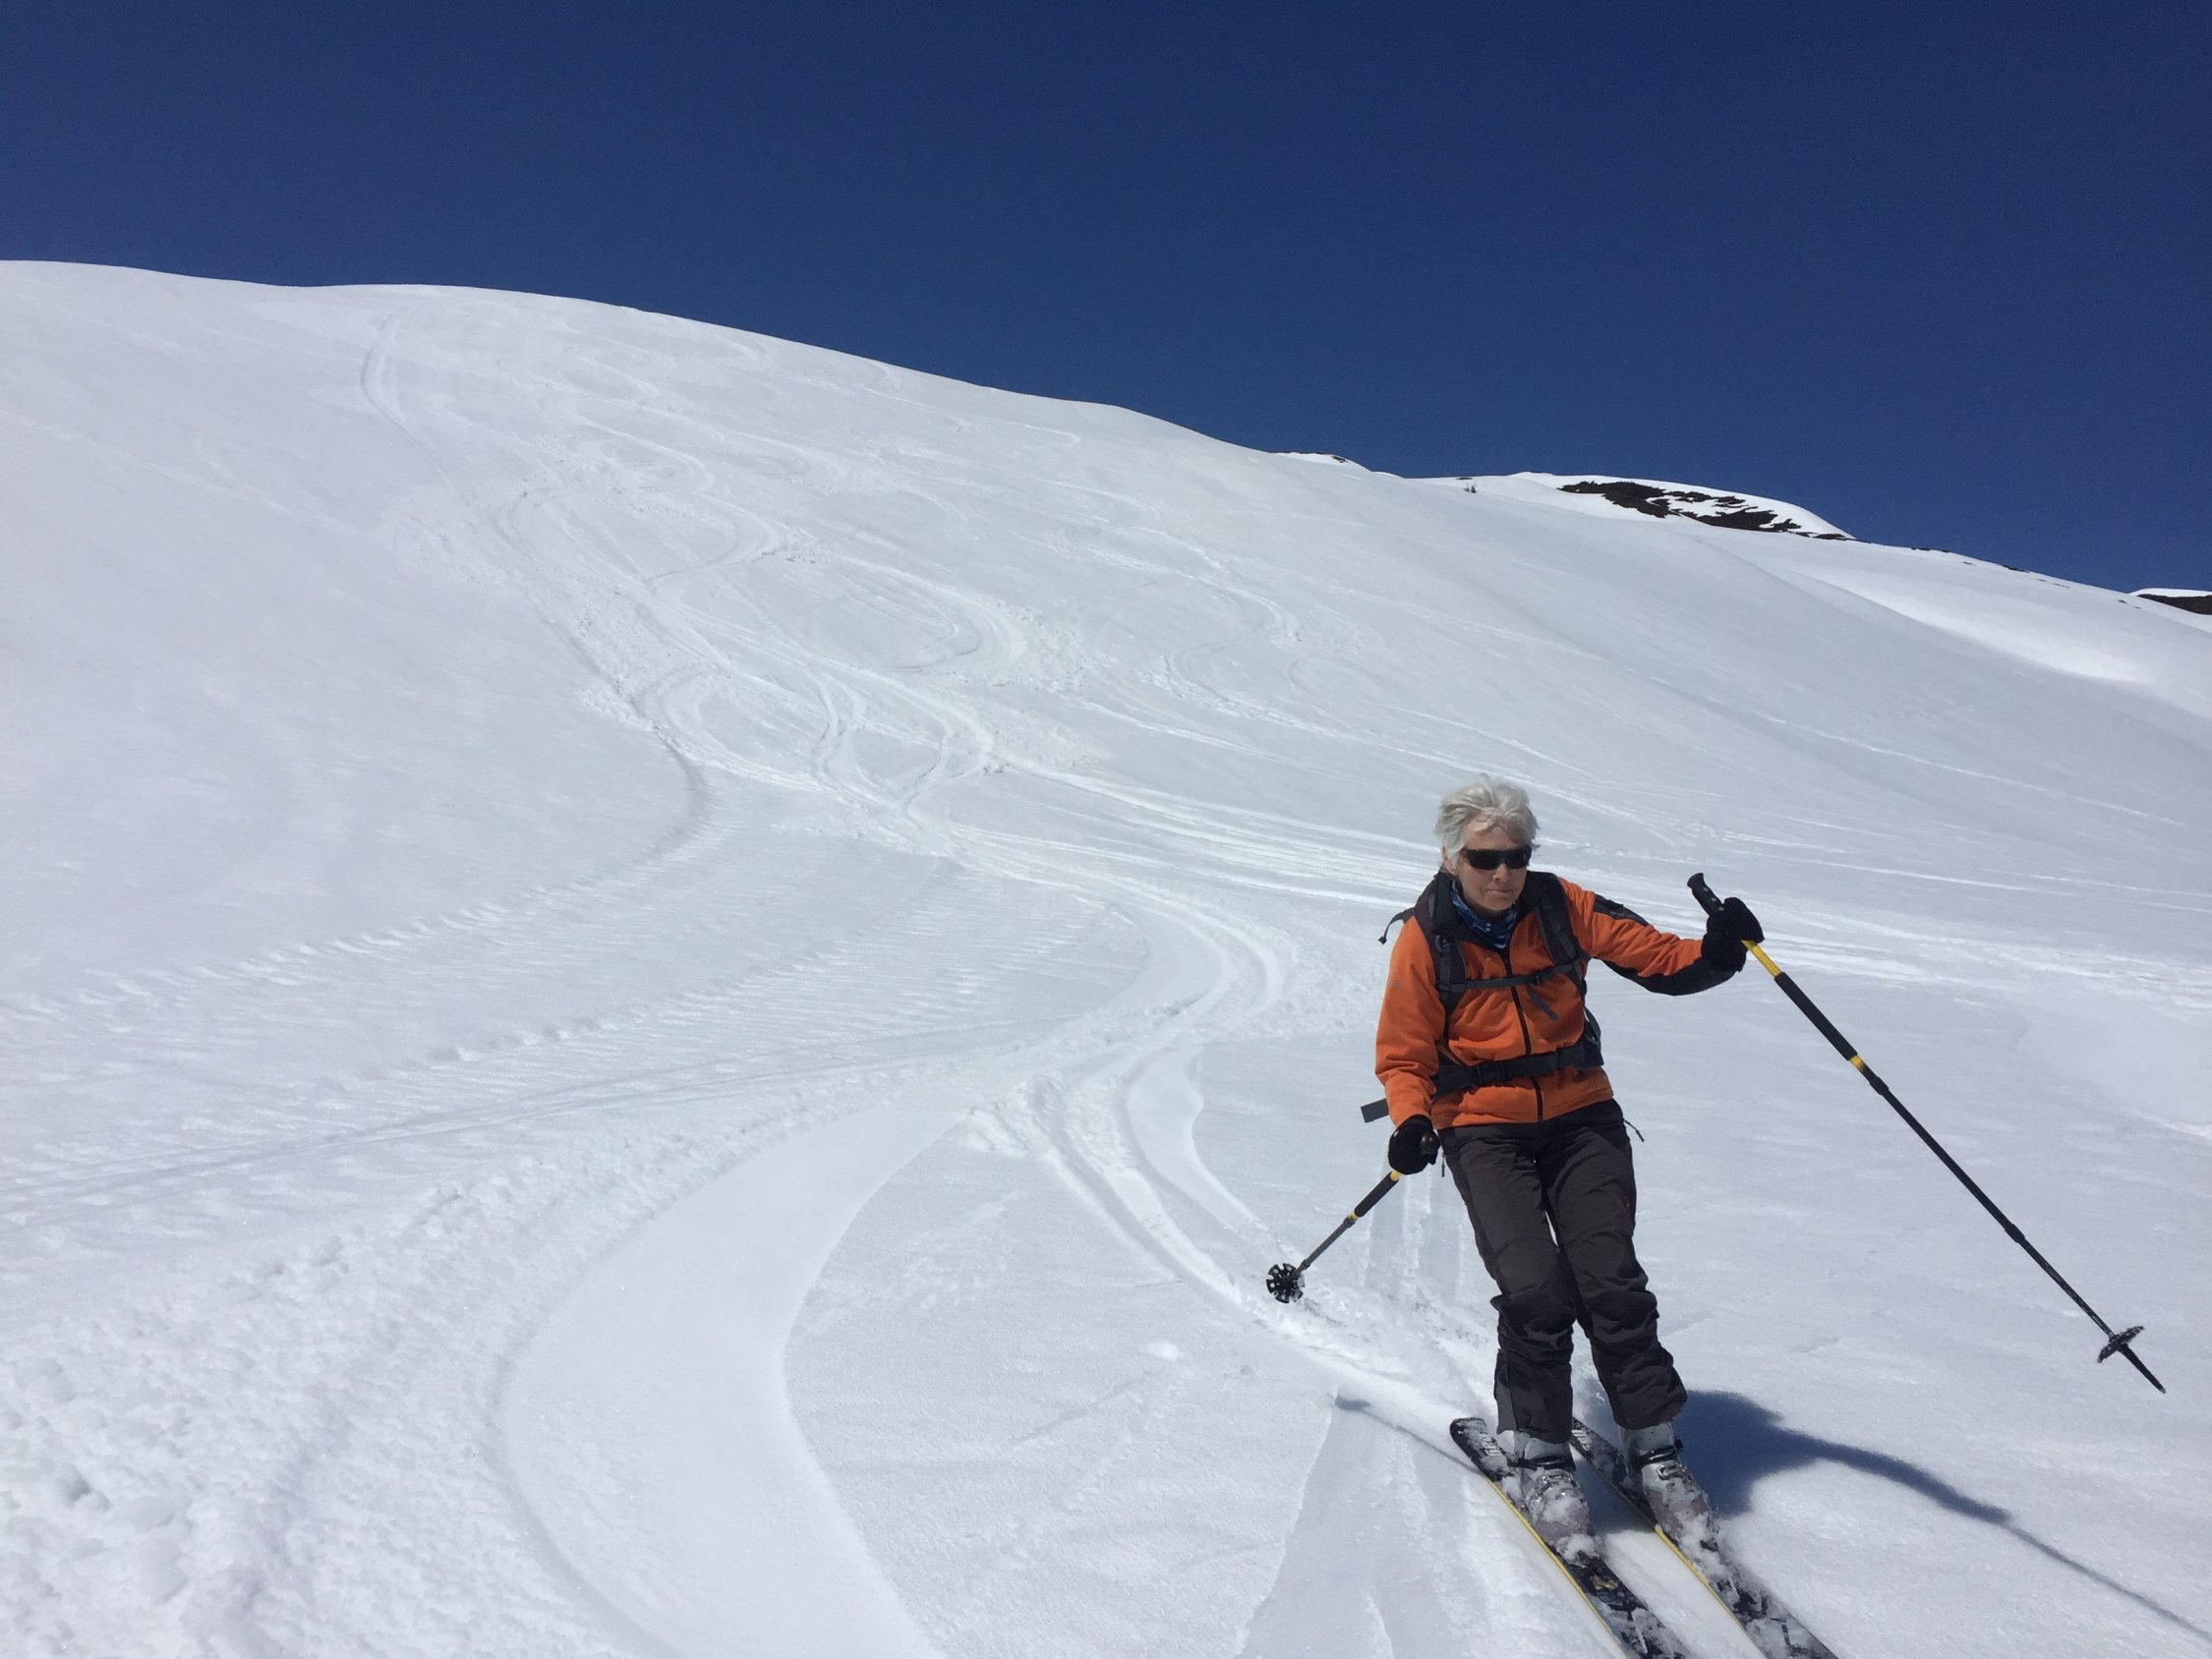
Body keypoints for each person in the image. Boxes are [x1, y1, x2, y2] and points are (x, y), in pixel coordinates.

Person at [1373, 775, 1762, 1543]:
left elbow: (1657, 959)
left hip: (1582, 1117)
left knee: (1610, 1278)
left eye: (1517, 856)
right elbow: (1403, 1054)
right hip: (1483, 1128)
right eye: (1486, 858)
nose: (1503, 873)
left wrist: (1718, 953)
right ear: (1452, 858)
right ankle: (1541, 1452)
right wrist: (1412, 1121)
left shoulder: (1561, 906)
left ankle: (1655, 1446)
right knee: (1535, 1290)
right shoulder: (1426, 938)